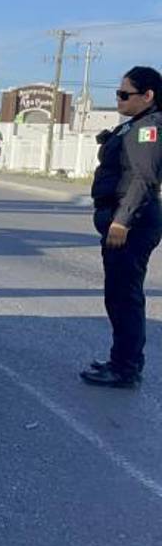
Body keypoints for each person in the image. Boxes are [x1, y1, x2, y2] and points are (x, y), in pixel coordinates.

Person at [80, 66, 162, 388]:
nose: (118, 98)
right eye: (118, 92)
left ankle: (125, 368)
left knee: (124, 296)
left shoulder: (148, 129)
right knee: (119, 294)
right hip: (124, 220)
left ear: (148, 95)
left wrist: (121, 221)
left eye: (124, 94)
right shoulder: (136, 125)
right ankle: (123, 360)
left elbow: (143, 179)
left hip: (132, 223)